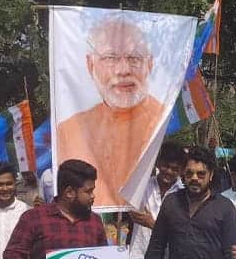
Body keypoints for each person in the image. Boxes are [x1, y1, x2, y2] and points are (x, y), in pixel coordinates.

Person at [56, 16, 166, 208]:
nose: (123, 70)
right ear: (91, 65)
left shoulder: (162, 121)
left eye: (134, 58)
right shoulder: (69, 129)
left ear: (149, 64)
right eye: (110, 58)